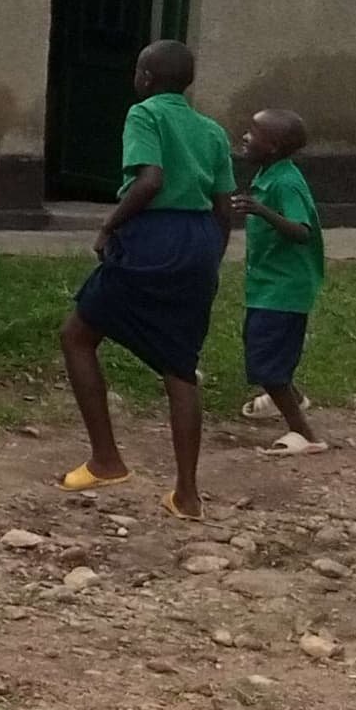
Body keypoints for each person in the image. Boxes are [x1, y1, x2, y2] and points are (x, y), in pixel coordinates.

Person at [58, 38, 230, 519]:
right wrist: (210, 258)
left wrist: (109, 224)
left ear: (146, 78)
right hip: (199, 242)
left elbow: (150, 179)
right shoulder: (212, 130)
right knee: (180, 367)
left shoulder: (145, 114)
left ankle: (106, 459)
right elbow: (222, 209)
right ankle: (188, 496)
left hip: (153, 236)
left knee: (77, 335)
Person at [232, 107, 328, 455]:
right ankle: (293, 399)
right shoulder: (270, 174)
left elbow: (301, 231)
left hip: (284, 289)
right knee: (262, 348)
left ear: (271, 146)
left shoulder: (285, 183)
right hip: (269, 285)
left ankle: (306, 436)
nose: (244, 136)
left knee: (266, 364)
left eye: (253, 133)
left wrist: (262, 211)